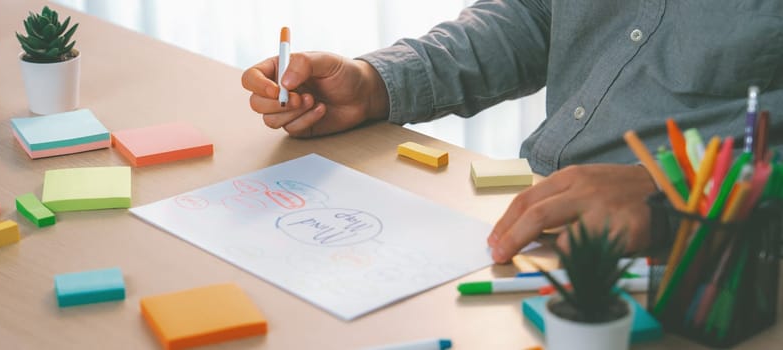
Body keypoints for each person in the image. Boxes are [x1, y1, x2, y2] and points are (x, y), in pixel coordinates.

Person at [241, 0, 783, 263]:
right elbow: (535, 15)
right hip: (545, 235)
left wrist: (674, 194)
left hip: (716, 268)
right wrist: (378, 83)